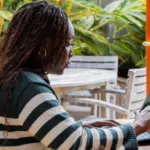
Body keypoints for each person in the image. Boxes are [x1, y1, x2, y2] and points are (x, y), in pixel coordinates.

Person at [0, 1, 149, 150]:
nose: (71, 52)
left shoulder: (15, 79)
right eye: (67, 43)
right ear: (43, 46)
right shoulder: (29, 88)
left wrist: (75, 127)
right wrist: (137, 127)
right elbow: (75, 143)